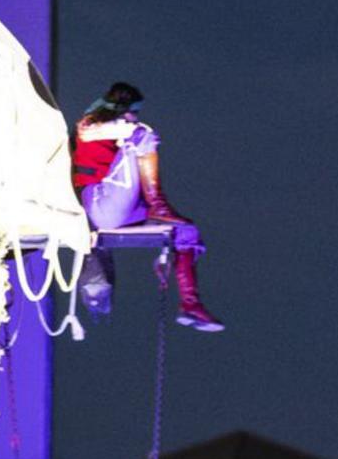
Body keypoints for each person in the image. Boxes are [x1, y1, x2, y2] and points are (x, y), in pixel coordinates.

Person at [71, 83, 224, 332]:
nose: (135, 116)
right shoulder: (92, 124)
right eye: (133, 110)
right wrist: (127, 127)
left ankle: (190, 304)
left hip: (123, 210)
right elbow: (89, 133)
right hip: (100, 204)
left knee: (186, 232)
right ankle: (158, 204)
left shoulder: (118, 132)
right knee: (142, 135)